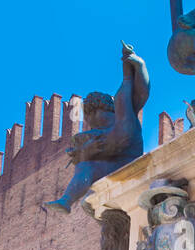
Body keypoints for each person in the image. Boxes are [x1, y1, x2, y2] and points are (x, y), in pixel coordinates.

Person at [44, 43, 149, 214]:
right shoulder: (97, 135)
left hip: (133, 166)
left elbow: (141, 90)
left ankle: (66, 200)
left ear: (108, 109)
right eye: (90, 117)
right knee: (87, 166)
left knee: (88, 165)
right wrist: (85, 152)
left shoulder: (124, 109)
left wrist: (139, 64)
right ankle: (66, 200)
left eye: (97, 113)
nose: (93, 120)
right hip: (115, 169)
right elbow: (82, 161)